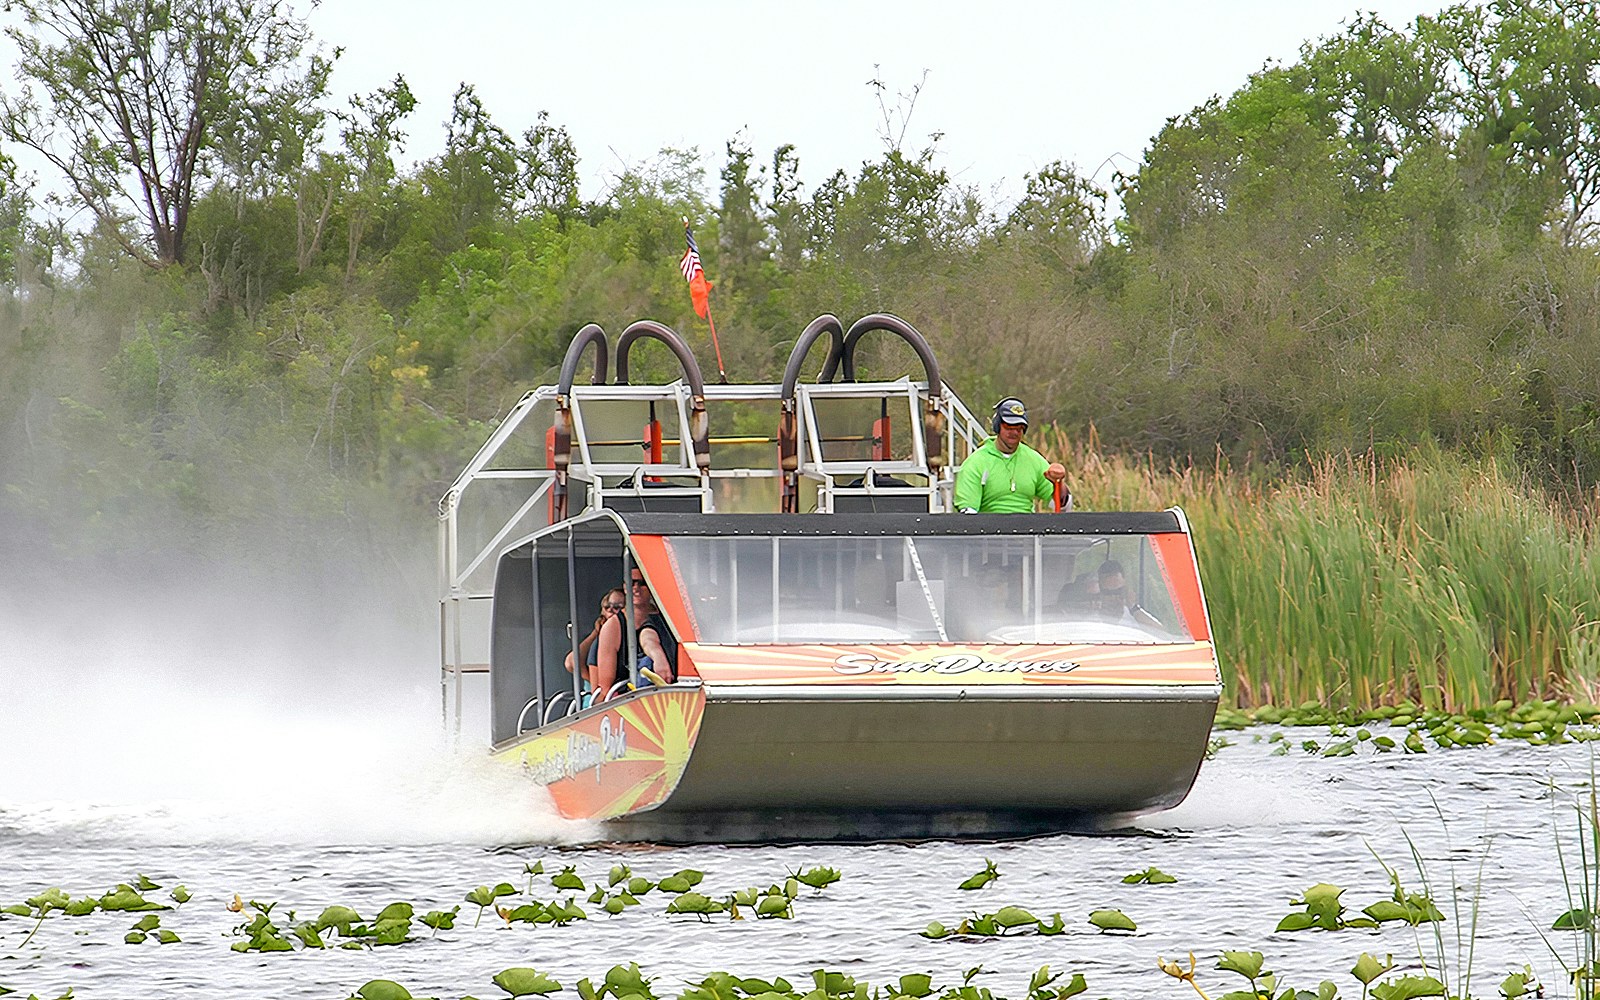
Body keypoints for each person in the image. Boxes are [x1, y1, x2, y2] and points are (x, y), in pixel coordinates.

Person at [953, 398, 1069, 513]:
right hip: (989, 529)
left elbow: (1063, 505)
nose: (1014, 433)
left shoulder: (1033, 459)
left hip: (1028, 529)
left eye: (1019, 429)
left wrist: (1058, 482)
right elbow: (968, 515)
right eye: (1008, 427)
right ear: (997, 427)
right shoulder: (976, 463)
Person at [592, 569, 678, 700]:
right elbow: (605, 686)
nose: (636, 588)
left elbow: (648, 636)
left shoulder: (668, 619)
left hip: (672, 696)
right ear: (625, 587)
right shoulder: (613, 627)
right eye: (632, 583)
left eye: (642, 583)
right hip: (627, 701)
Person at [563, 588, 626, 686]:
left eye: (617, 607)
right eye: (607, 607)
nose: (610, 610)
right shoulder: (598, 637)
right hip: (600, 696)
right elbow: (571, 662)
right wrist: (595, 684)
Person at [1095, 560, 1162, 629]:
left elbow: (1160, 632)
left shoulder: (1137, 616)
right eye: (1108, 593)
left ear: (1125, 588)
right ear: (1100, 591)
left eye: (1118, 591)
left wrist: (1133, 608)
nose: (1114, 597)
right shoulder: (1090, 619)